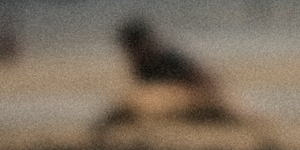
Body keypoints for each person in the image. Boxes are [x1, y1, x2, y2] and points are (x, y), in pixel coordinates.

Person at [97, 17, 241, 126]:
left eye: (131, 47)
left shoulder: (170, 59)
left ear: (145, 43)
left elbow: (205, 81)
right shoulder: (141, 65)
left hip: (193, 103)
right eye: (127, 49)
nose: (128, 53)